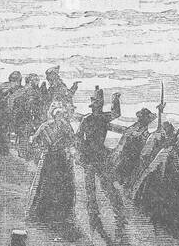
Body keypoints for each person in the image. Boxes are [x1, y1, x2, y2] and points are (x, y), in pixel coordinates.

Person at [75, 87, 126, 236]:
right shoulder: (87, 119)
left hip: (100, 156)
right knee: (90, 186)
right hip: (91, 156)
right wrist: (81, 152)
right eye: (95, 105)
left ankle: (118, 213)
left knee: (106, 184)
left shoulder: (103, 117)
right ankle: (94, 213)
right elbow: (78, 137)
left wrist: (115, 100)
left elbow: (117, 113)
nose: (96, 108)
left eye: (97, 105)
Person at [26, 107, 76, 224]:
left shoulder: (48, 126)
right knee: (51, 184)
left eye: (61, 115)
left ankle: (47, 213)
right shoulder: (62, 126)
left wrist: (39, 146)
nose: (60, 117)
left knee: (49, 184)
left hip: (54, 158)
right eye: (59, 115)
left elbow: (33, 140)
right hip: (56, 159)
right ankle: (52, 214)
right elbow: (72, 141)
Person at [112, 108, 156, 187]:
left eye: (142, 117)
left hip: (136, 154)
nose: (139, 119)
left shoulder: (149, 128)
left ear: (146, 118)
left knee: (131, 173)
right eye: (139, 117)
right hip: (127, 152)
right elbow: (126, 134)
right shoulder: (136, 125)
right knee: (120, 169)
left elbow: (145, 140)